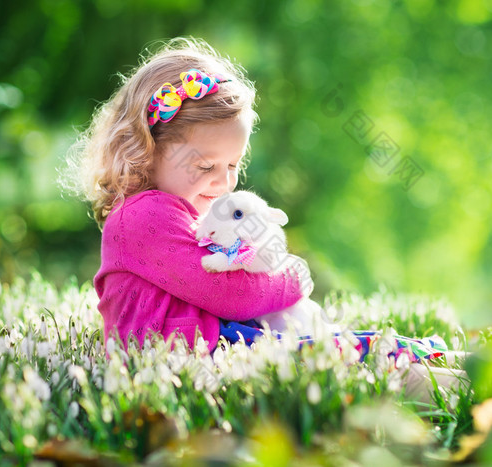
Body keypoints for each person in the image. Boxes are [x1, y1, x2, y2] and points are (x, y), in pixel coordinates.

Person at [65, 37, 449, 370]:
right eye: (204, 165)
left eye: (233, 164)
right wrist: (293, 275)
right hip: (187, 357)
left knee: (345, 350)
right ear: (147, 150)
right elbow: (230, 294)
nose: (224, 180)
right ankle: (435, 373)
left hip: (210, 348)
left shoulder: (181, 212)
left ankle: (439, 366)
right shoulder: (143, 215)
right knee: (342, 358)